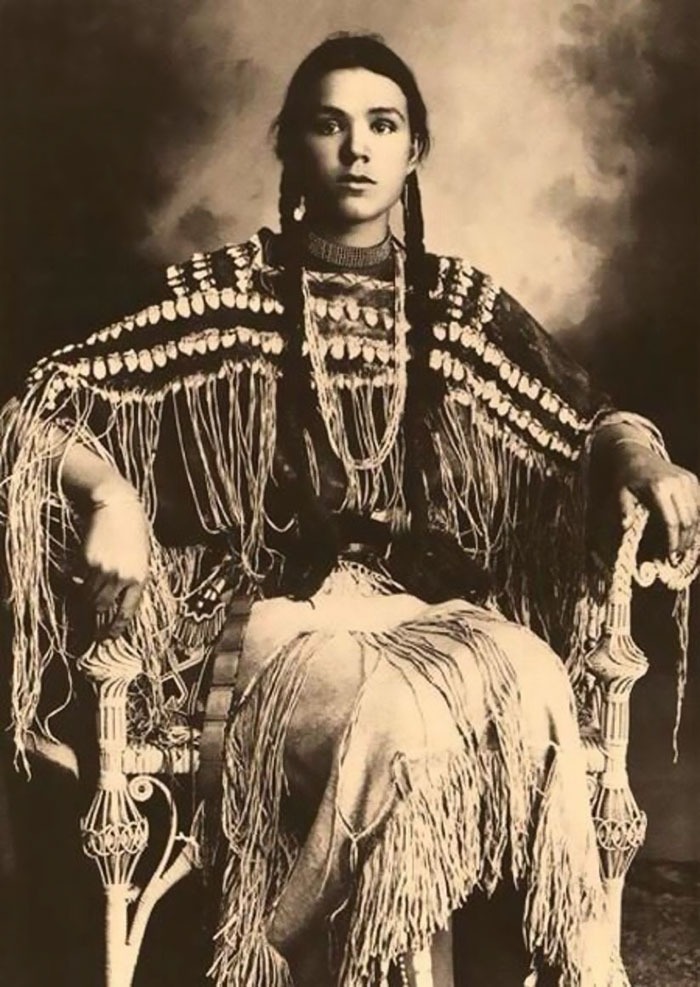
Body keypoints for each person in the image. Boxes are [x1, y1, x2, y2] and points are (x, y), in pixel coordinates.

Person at [1, 33, 699, 987]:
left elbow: (587, 421)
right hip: (270, 618)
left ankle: (582, 964)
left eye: (383, 125)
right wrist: (112, 493)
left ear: (415, 150)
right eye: (329, 126)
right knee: (399, 723)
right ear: (290, 149)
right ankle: (300, 958)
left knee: (535, 676)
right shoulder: (228, 292)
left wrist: (649, 459)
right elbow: (39, 404)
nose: (358, 149)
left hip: (423, 613)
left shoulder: (454, 307)